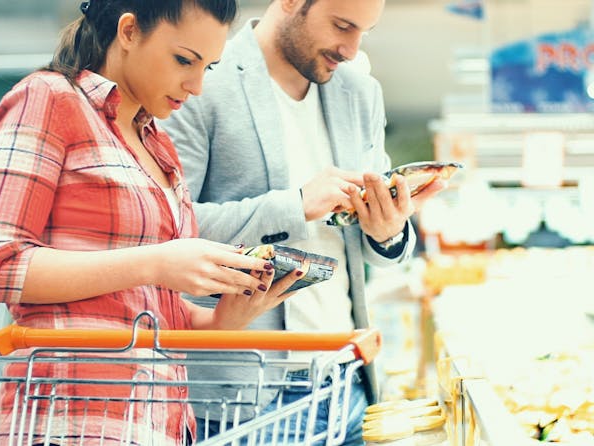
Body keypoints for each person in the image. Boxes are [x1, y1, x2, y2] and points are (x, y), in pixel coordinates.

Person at [0, 0, 301, 444]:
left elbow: (141, 308)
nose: (195, 86)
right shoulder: (49, 99)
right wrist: (156, 262)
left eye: (208, 68)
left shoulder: (159, 147)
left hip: (155, 424)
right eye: (183, 60)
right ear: (130, 31)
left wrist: (223, 320)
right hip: (68, 421)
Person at [162, 0, 446, 442]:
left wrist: (388, 229)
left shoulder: (360, 93)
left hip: (346, 380)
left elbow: (382, 251)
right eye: (341, 26)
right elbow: (167, 228)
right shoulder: (203, 80)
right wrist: (296, 206)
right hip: (245, 394)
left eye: (362, 34)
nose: (351, 49)